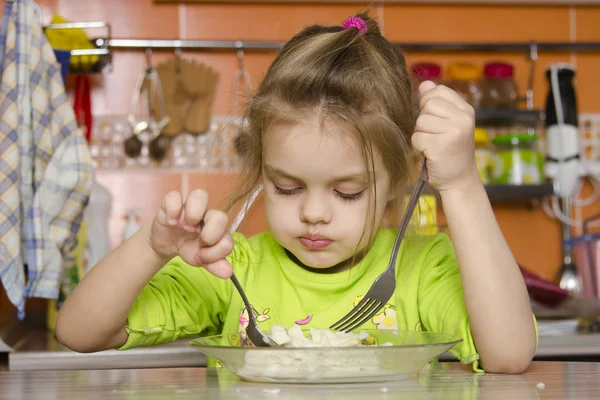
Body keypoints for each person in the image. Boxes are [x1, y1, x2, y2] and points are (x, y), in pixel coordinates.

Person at [56, 13, 537, 373]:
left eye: (347, 192)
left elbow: (510, 354)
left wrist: (460, 183)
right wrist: (150, 248)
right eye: (286, 187)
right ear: (261, 167)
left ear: (398, 177)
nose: (312, 213)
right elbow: (76, 332)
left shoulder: (420, 269)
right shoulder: (232, 270)